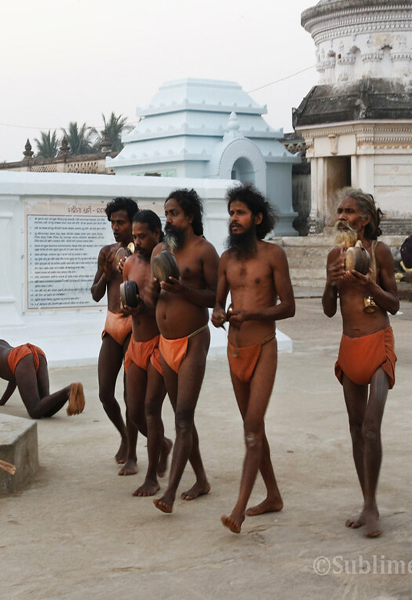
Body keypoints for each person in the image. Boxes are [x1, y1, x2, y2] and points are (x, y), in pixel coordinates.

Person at [211, 185, 295, 535]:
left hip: (263, 346)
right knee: (254, 428)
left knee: (251, 426)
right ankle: (273, 494)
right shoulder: (226, 260)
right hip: (234, 349)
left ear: (257, 218)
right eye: (231, 212)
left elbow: (288, 307)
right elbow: (217, 304)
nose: (234, 218)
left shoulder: (273, 255)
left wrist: (253, 314)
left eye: (241, 213)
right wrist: (217, 314)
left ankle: (239, 509)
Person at [322, 188, 400, 538]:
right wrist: (330, 282)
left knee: (371, 426)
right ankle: (366, 501)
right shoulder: (335, 254)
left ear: (365, 218)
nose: (343, 216)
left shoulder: (379, 251)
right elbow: (328, 309)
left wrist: (368, 284)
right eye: (340, 210)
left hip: (377, 343)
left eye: (350, 211)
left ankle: (372, 509)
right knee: (355, 429)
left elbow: (394, 304)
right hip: (349, 345)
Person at [149, 188, 219, 514]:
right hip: (166, 344)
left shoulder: (205, 251)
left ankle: (171, 492)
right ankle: (201, 479)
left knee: (181, 418)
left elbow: (217, 298)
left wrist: (185, 290)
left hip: (193, 339)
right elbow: (154, 299)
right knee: (183, 420)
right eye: (166, 214)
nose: (168, 220)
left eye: (174, 213)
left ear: (189, 217)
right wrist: (150, 292)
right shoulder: (161, 251)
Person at [120, 209, 172, 496]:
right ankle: (163, 444)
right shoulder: (129, 263)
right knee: (134, 410)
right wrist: (129, 307)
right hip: (135, 343)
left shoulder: (162, 262)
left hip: (156, 344)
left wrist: (145, 306)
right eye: (135, 236)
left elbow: (167, 307)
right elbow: (124, 296)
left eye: (142, 236)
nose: (137, 241)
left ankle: (152, 476)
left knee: (152, 409)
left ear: (156, 233)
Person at [91, 197, 139, 472]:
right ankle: (123, 434)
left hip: (134, 326)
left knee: (130, 395)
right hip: (112, 325)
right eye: (112, 222)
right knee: (105, 393)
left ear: (133, 222)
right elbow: (96, 294)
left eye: (121, 222)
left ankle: (132, 454)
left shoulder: (143, 253)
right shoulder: (107, 252)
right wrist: (105, 274)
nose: (115, 227)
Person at [0, 337, 85, 418]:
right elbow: (14, 377)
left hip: (22, 358)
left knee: (34, 410)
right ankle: (69, 391)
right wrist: (2, 401)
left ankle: (68, 390)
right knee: (46, 409)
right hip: (36, 352)